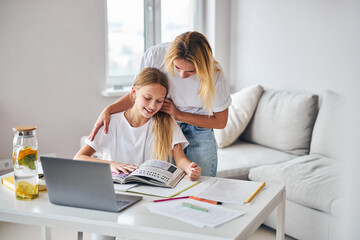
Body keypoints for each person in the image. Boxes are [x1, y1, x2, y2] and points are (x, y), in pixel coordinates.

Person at [75, 67, 201, 240]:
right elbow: (79, 158)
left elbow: (180, 159)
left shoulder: (165, 122)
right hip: (113, 195)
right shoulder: (112, 122)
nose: (152, 106)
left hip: (148, 196)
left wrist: (190, 168)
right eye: (147, 98)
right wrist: (113, 165)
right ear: (134, 93)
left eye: (159, 101)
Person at [89, 31, 231, 177]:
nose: (182, 76)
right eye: (177, 68)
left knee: (201, 180)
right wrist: (108, 110)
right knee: (168, 179)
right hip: (164, 120)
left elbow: (220, 121)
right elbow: (139, 91)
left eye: (191, 71)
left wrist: (178, 114)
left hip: (198, 126)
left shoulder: (216, 74)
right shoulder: (155, 56)